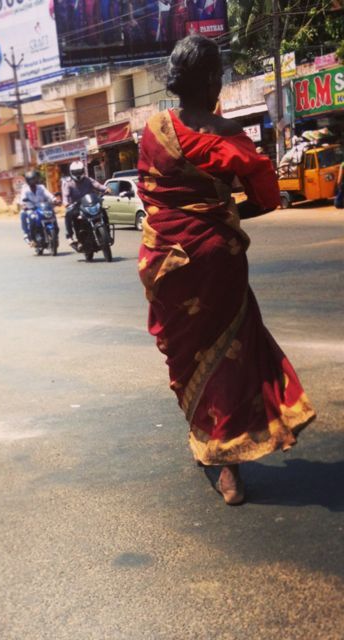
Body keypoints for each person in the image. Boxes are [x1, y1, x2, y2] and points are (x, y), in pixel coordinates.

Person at [136, 35, 316, 505]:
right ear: (215, 80)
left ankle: (217, 454)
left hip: (166, 263)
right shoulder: (230, 137)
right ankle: (226, 460)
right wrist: (222, 216)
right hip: (218, 263)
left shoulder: (154, 129)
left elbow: (150, 196)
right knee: (229, 357)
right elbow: (266, 198)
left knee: (188, 359)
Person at [61, 160, 107, 244]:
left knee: (102, 210)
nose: (78, 174)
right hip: (76, 206)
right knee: (68, 214)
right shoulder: (68, 183)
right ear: (71, 172)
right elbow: (65, 196)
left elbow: (98, 185)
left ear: (83, 171)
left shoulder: (88, 179)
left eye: (79, 171)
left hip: (90, 203)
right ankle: (69, 236)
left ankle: (106, 230)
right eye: (76, 172)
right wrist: (66, 203)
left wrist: (106, 189)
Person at [19, 170, 55, 243]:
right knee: (29, 217)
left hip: (42, 208)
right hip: (31, 209)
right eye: (31, 180)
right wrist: (24, 205)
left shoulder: (41, 187)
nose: (33, 181)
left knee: (52, 216)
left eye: (34, 179)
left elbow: (48, 194)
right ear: (28, 181)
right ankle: (31, 238)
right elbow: (22, 199)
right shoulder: (25, 189)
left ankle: (55, 233)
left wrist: (54, 199)